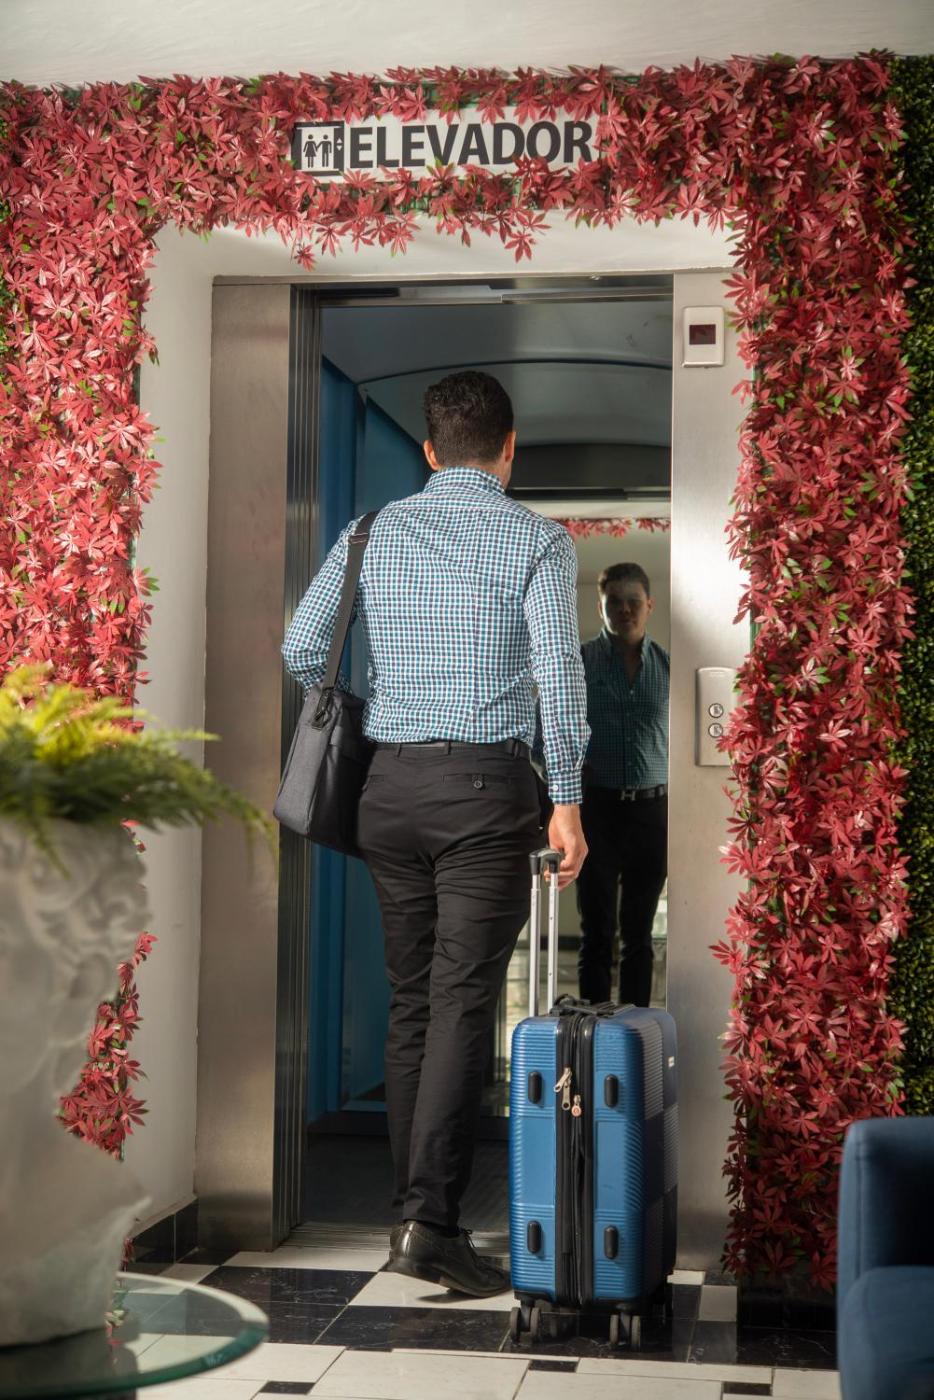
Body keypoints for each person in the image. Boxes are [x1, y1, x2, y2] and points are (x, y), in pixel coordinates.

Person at [281, 370, 589, 1297]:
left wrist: (387, 693)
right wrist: (568, 798)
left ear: (427, 449)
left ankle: (410, 1215)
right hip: (484, 793)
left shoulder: (371, 531)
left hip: (387, 790)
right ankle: (432, 1224)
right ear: (508, 448)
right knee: (461, 1003)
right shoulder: (536, 539)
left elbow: (302, 648)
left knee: (413, 1001)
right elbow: (557, 672)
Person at [577, 562, 669, 1008]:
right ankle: (592, 1030)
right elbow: (543, 734)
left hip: (654, 813)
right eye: (615, 602)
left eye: (633, 601)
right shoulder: (578, 664)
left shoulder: (669, 668)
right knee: (596, 932)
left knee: (639, 933)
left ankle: (636, 1030)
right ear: (601, 607)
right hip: (596, 810)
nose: (625, 610)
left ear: (649, 605)